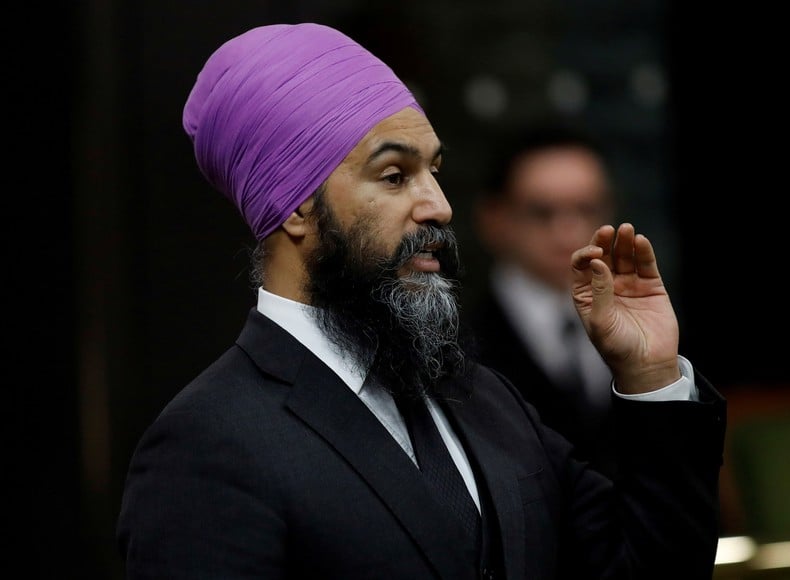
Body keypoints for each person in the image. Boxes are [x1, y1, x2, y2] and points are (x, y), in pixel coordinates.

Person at [116, 23, 726, 579]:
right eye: (393, 175)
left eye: (433, 170)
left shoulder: (484, 398)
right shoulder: (208, 444)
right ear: (296, 205)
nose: (438, 204)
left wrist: (649, 377)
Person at [465, 126, 618, 473]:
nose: (567, 231)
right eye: (541, 212)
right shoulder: (460, 344)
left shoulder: (653, 327)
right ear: (493, 219)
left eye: (587, 209)